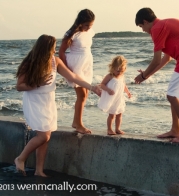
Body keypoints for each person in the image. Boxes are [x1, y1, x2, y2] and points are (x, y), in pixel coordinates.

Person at [14, 34, 100, 177]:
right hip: (34, 101)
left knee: (46, 135)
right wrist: (37, 83)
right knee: (43, 136)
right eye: (53, 48)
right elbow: (19, 86)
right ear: (45, 48)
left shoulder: (56, 61)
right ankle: (20, 158)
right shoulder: (29, 63)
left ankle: (39, 171)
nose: (55, 50)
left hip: (48, 101)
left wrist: (92, 87)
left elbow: (73, 77)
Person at [134, 8, 179, 143]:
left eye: (141, 26)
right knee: (173, 95)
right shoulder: (164, 25)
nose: (143, 30)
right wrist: (147, 75)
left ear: (146, 22)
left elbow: (156, 60)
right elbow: (166, 59)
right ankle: (176, 129)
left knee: (172, 96)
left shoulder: (157, 29)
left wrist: (143, 76)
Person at [59, 9, 95, 134]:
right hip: (76, 64)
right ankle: (79, 124)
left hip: (87, 64)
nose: (88, 27)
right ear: (80, 22)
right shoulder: (71, 33)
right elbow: (61, 51)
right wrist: (67, 68)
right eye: (86, 25)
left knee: (85, 95)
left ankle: (76, 121)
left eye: (91, 25)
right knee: (82, 95)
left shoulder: (89, 32)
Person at [98, 55, 131, 135]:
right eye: (117, 71)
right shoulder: (110, 76)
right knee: (112, 115)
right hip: (112, 99)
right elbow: (102, 84)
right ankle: (109, 129)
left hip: (119, 99)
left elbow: (123, 85)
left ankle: (117, 129)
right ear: (112, 68)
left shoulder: (122, 76)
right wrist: (108, 90)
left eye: (122, 71)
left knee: (120, 114)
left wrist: (128, 92)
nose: (119, 73)